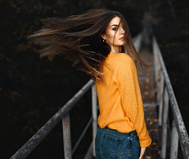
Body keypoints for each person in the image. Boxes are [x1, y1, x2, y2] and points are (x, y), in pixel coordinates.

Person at [28, 9, 152, 159]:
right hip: (123, 140)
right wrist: (144, 138)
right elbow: (133, 105)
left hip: (103, 137)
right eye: (115, 28)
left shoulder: (102, 63)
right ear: (103, 35)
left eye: (123, 27)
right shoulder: (124, 61)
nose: (122, 31)